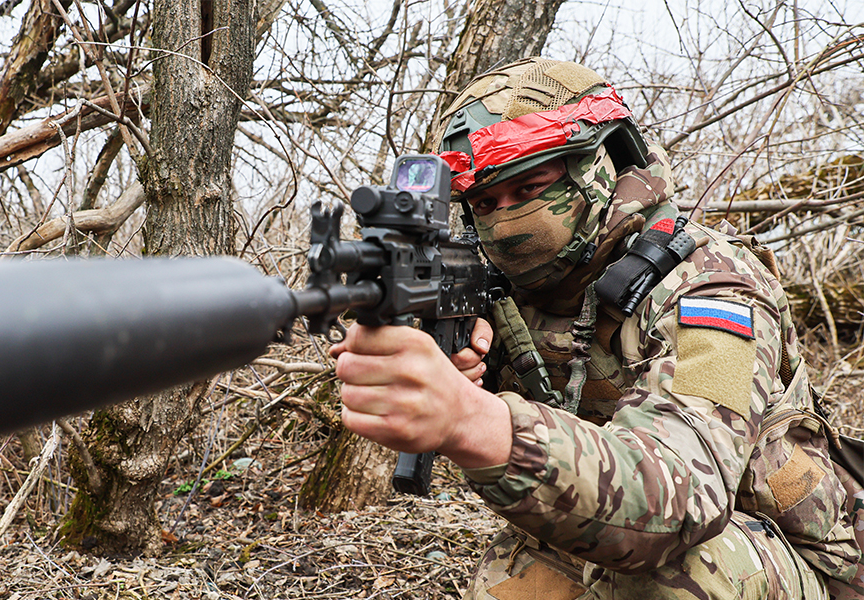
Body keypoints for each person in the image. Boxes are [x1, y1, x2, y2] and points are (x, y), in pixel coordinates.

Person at [330, 57, 864, 599]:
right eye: (485, 203)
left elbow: (680, 499)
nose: (506, 219)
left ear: (602, 163)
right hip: (646, 531)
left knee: (675, 579)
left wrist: (474, 419)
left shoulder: (712, 289)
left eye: (531, 186)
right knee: (514, 578)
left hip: (803, 560)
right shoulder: (503, 291)